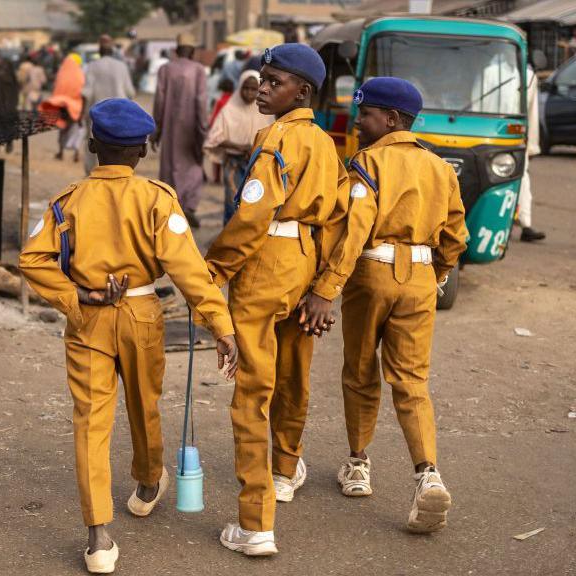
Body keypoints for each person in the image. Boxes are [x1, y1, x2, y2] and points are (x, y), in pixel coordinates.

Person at [19, 98, 238, 574]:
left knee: (91, 420)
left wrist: (77, 295)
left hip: (88, 318)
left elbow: (31, 259)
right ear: (144, 149)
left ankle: (98, 537)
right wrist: (221, 325)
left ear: (93, 145)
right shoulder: (157, 199)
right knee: (145, 403)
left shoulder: (68, 200)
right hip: (141, 312)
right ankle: (145, 485)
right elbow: (190, 272)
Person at [298, 77, 466, 533]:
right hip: (421, 277)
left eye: (365, 113)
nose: (357, 122)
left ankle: (357, 465)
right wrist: (440, 272)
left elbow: (354, 231)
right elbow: (455, 235)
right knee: (412, 380)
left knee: (359, 371)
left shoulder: (368, 163)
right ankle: (427, 473)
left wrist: (325, 289)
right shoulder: (440, 168)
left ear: (390, 120)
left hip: (372, 274)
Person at [205, 44, 347, 556]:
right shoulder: (327, 144)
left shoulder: (276, 141)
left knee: (251, 394)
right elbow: (336, 221)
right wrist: (323, 290)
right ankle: (286, 470)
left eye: (273, 82)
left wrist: (213, 270)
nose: (261, 89)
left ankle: (254, 523)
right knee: (294, 376)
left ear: (302, 92)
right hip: (304, 268)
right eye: (262, 80)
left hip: (265, 268)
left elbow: (249, 221)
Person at [152, 33, 208, 228]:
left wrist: (156, 129)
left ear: (176, 50)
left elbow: (159, 100)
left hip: (170, 126)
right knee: (193, 166)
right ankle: (189, 207)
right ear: (192, 51)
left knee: (170, 165)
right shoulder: (199, 70)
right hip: (192, 128)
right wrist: (203, 129)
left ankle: (171, 206)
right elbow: (201, 102)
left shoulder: (165, 69)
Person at [204, 70, 272, 223]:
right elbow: (214, 138)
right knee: (232, 202)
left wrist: (254, 149)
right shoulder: (229, 110)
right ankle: (228, 241)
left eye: (253, 89)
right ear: (239, 87)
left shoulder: (265, 111)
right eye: (245, 88)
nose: (249, 93)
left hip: (258, 164)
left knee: (253, 204)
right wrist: (241, 147)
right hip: (234, 163)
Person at [81, 34, 136, 174]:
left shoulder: (92, 66)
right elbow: (130, 92)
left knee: (94, 147)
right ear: (112, 51)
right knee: (118, 145)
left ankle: (93, 178)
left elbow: (86, 93)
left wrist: (81, 114)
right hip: (119, 114)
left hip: (96, 114)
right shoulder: (121, 67)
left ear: (99, 51)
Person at [41, 53, 86, 162]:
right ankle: (76, 154)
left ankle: (61, 152)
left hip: (62, 106)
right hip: (76, 107)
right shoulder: (80, 74)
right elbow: (83, 93)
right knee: (76, 130)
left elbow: (56, 90)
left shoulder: (61, 73)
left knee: (62, 129)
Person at [519, 64, 545, 242]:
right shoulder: (488, 71)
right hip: (487, 134)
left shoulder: (528, 76)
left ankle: (525, 224)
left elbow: (532, 113)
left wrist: (532, 146)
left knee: (522, 181)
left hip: (515, 135)